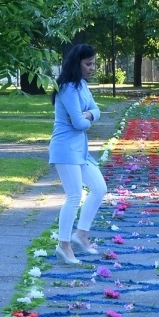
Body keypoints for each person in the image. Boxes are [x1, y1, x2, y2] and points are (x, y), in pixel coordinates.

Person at [49, 43, 108, 265]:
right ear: (77, 63)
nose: (92, 68)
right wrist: (85, 118)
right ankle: (63, 245)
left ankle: (81, 233)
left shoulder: (82, 85)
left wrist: (89, 115)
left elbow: (95, 111)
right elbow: (78, 123)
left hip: (80, 150)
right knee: (74, 196)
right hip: (65, 149)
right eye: (88, 64)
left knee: (99, 188)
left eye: (93, 63)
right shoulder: (67, 88)